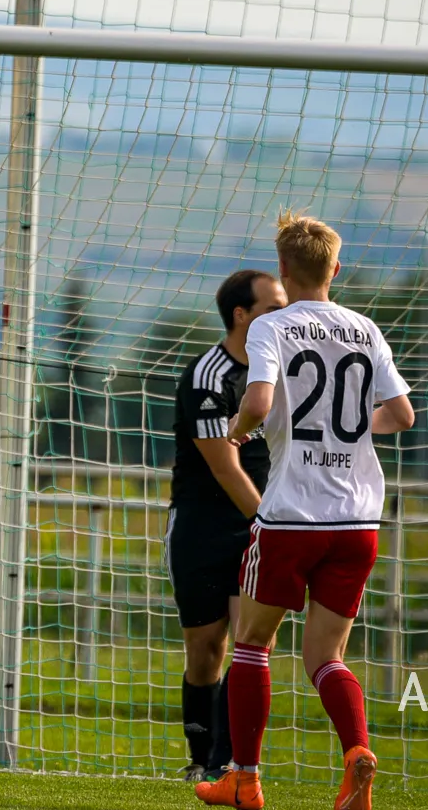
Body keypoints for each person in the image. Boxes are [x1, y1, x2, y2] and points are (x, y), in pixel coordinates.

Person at [195, 213, 416, 810]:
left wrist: (240, 429)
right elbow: (402, 415)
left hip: (292, 515)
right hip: (357, 521)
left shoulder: (272, 325)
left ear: (284, 269)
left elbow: (259, 399)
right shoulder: (365, 328)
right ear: (335, 269)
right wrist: (349, 431)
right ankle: (356, 753)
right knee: (326, 657)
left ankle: (243, 779)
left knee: (251, 644)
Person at [168, 268, 286, 783]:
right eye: (273, 308)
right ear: (242, 315)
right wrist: (269, 525)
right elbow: (225, 467)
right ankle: (200, 757)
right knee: (206, 650)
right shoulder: (207, 376)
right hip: (203, 526)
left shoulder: (282, 369)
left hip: (257, 525)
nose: (285, 316)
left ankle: (229, 764)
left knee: (251, 643)